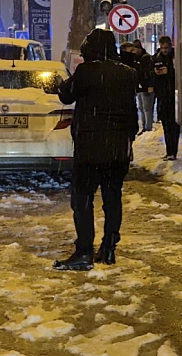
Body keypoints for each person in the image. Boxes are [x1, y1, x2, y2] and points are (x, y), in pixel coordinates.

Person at [53, 29, 138, 271]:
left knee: (83, 198)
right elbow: (132, 113)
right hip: (117, 147)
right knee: (112, 198)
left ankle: (84, 251)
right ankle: (109, 248)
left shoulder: (86, 71)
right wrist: (127, 140)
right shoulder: (128, 73)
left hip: (90, 146)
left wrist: (62, 83)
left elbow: (67, 96)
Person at [153, 36, 179, 161]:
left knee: (174, 125)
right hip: (163, 96)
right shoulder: (156, 58)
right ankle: (170, 151)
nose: (164, 50)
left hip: (173, 95)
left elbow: (180, 73)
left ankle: (173, 151)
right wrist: (155, 73)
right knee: (166, 125)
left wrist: (169, 72)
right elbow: (149, 74)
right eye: (162, 48)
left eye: (166, 48)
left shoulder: (176, 57)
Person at [132, 40, 156, 134]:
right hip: (141, 86)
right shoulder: (137, 58)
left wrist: (150, 85)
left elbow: (148, 73)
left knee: (146, 108)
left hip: (145, 86)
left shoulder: (145, 58)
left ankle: (147, 127)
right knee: (142, 107)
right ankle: (145, 125)